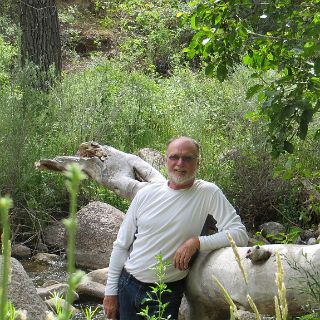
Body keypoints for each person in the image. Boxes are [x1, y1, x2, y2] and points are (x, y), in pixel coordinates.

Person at [103, 136, 248, 320]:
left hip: (166, 292)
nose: (180, 163)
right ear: (165, 161)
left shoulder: (207, 193)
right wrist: (110, 292)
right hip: (127, 284)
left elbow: (239, 234)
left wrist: (196, 242)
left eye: (188, 158)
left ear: (197, 163)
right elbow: (121, 244)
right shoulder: (146, 194)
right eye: (174, 157)